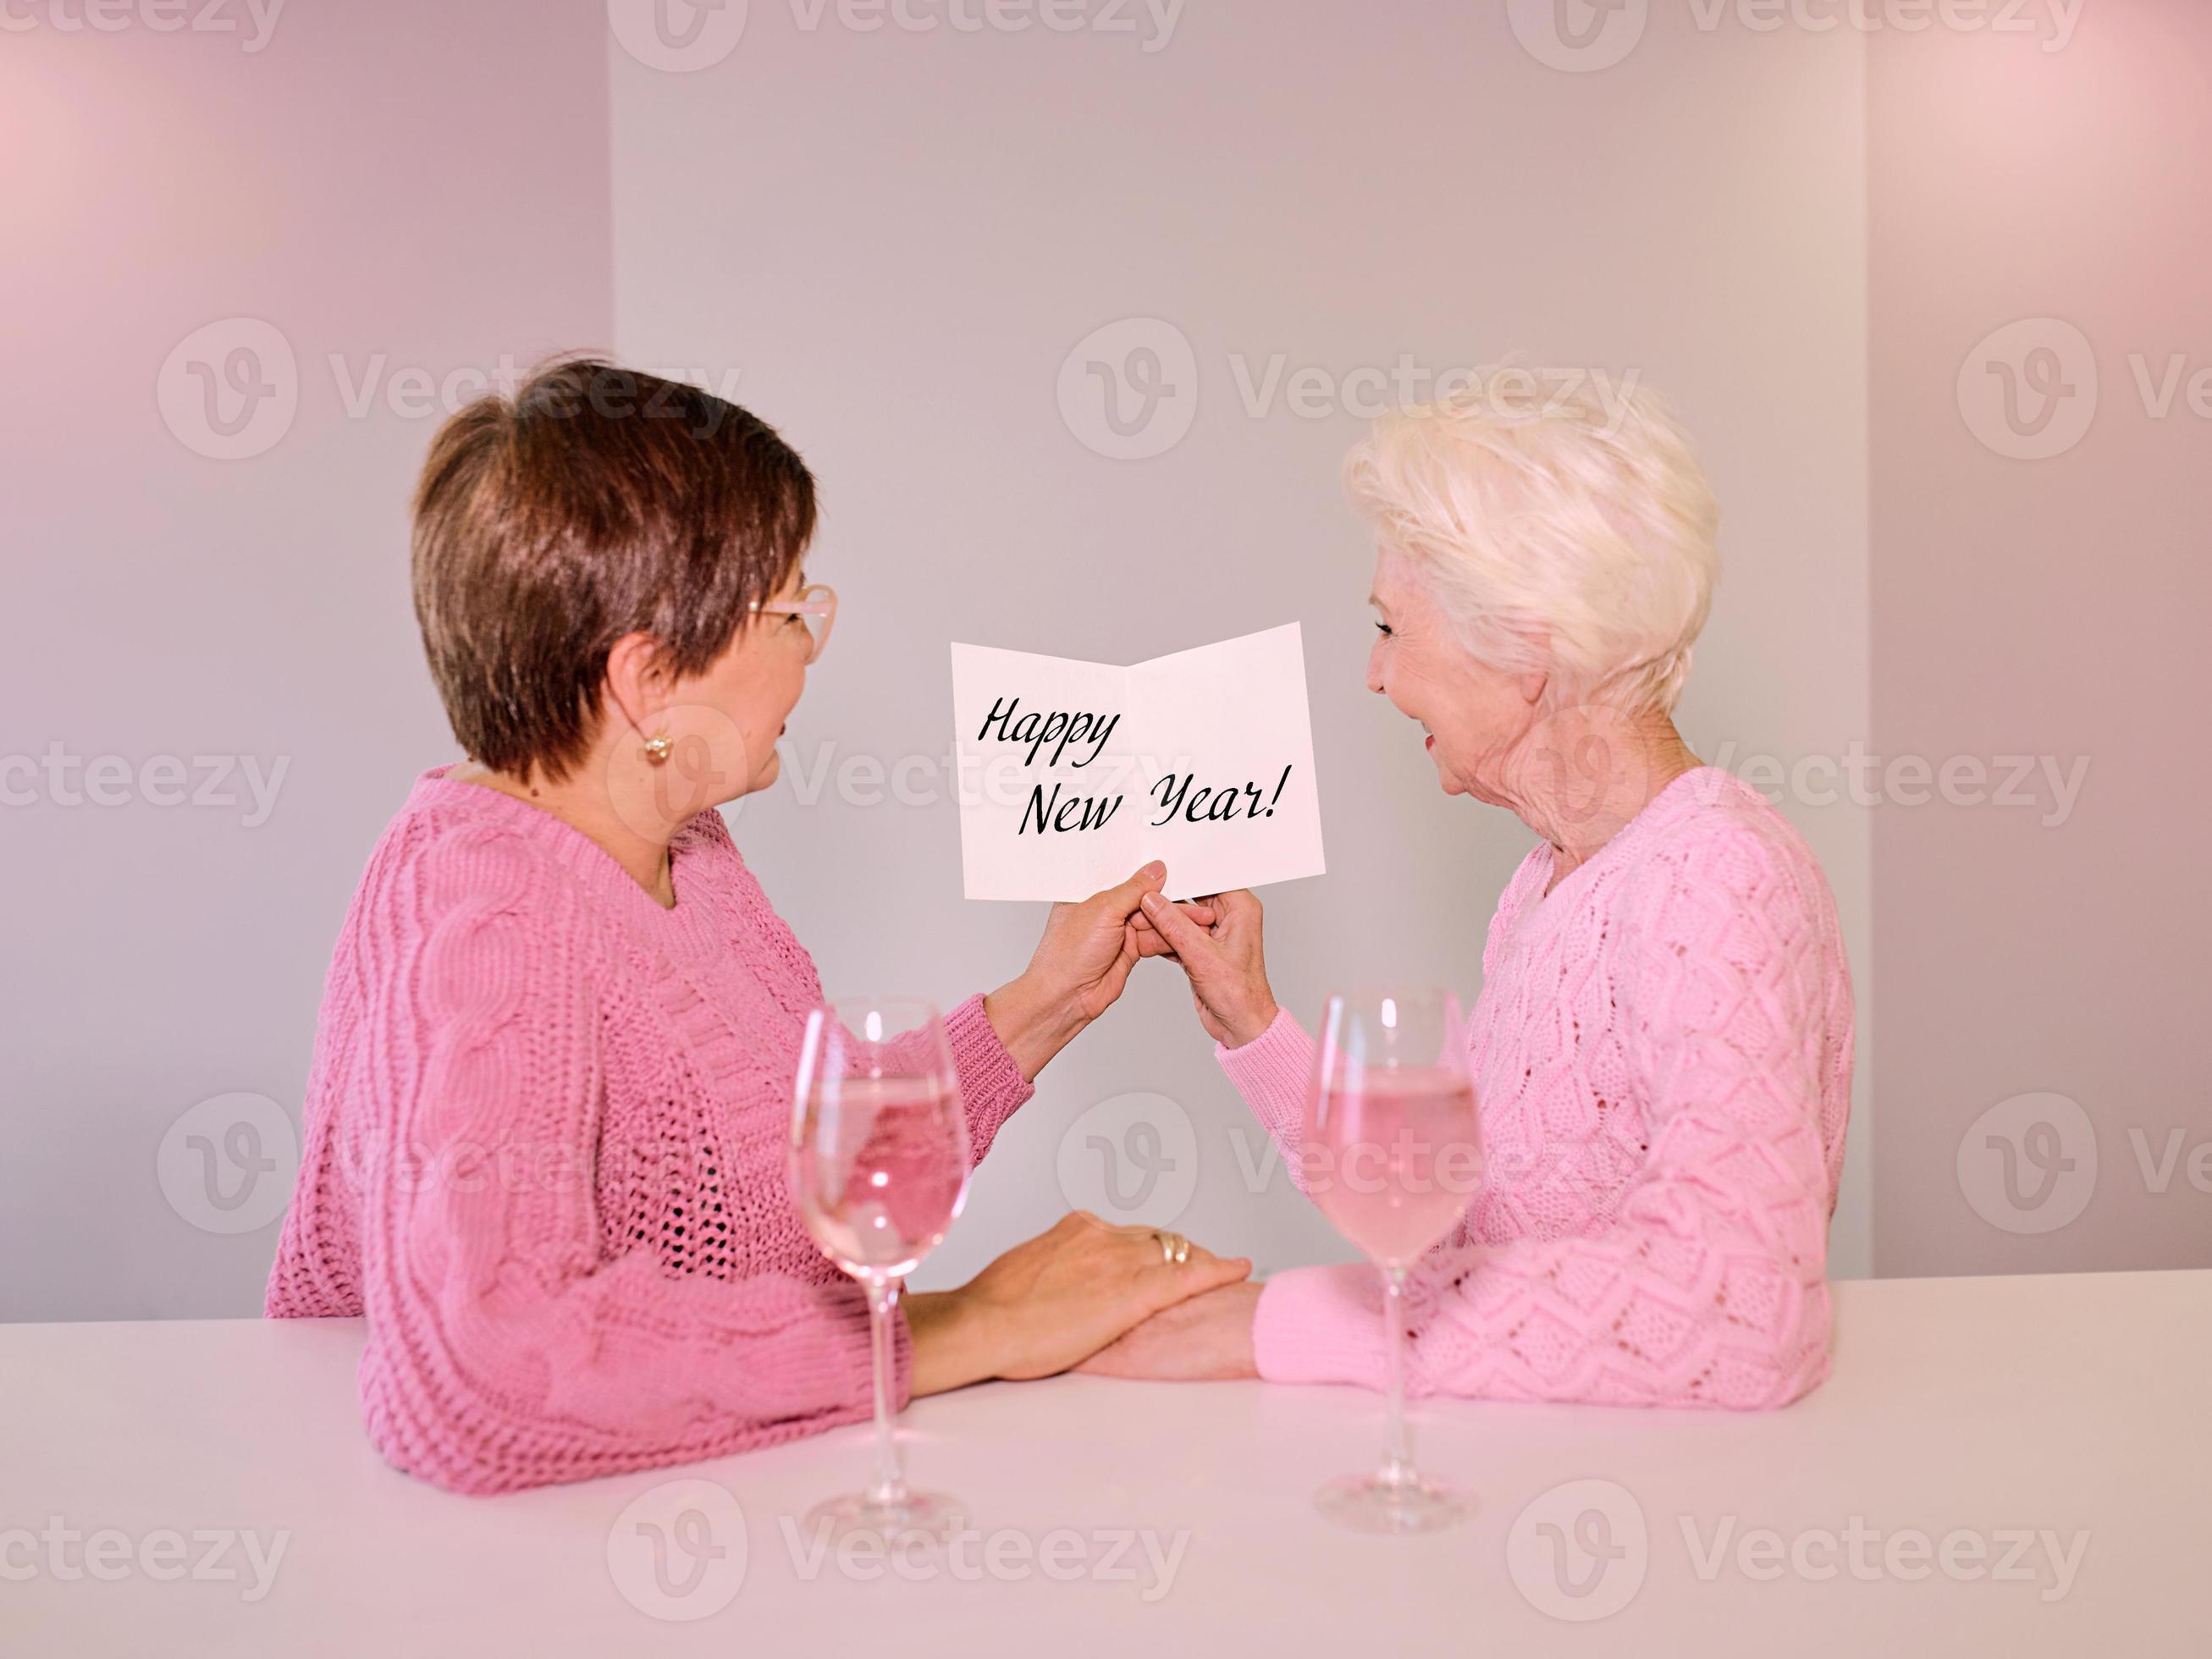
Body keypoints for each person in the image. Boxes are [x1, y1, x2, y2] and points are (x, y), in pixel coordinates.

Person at [265, 360, 1248, 1494]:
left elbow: (788, 1169)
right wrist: (974, 1326)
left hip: (704, 1505)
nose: (811, 643)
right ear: (647, 679)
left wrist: (1046, 1002)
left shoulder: (687, 847)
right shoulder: (481, 904)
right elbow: (490, 1377)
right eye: (786, 609)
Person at [1089, 371, 1856, 1410]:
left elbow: (1742, 1312)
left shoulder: (1713, 874)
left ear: (1524, 648)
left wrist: (1275, 1324)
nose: (1374, 673)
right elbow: (1460, 1232)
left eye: (1393, 629)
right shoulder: (1551, 879)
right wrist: (1252, 1018)